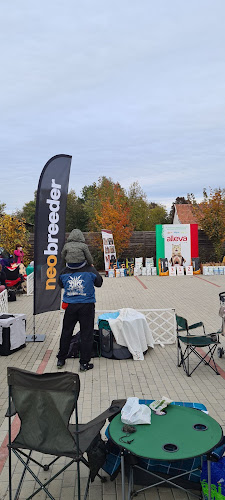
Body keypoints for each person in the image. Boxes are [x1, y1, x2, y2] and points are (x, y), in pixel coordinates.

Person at [57, 261, 103, 371]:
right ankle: (84, 363)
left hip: (70, 306)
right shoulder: (90, 270)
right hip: (86, 306)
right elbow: (99, 283)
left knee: (66, 332)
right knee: (86, 334)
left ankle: (61, 359)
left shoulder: (64, 271)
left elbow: (60, 284)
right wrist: (93, 267)